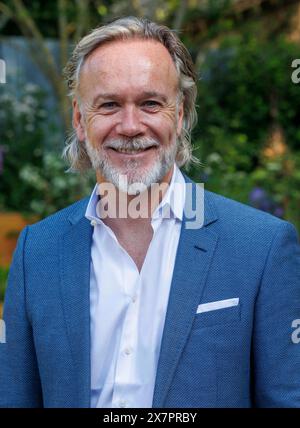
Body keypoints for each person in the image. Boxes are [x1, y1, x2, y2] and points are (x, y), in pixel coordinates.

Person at [0, 16, 300, 408]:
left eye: (150, 103)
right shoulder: (37, 251)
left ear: (178, 115)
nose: (129, 125)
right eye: (108, 104)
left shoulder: (261, 247)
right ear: (79, 119)